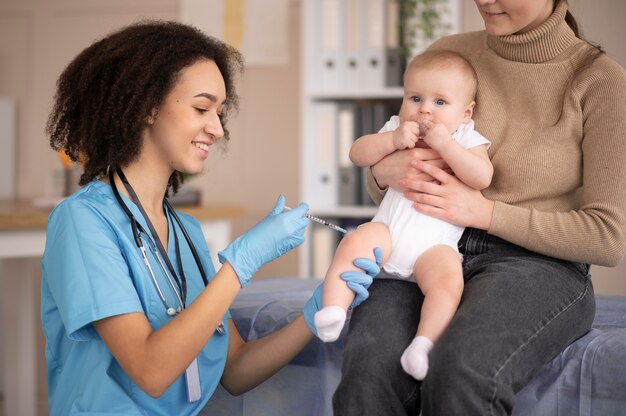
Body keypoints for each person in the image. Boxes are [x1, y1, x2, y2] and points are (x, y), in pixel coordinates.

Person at [41, 21, 380, 415]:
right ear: (147, 106)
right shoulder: (83, 221)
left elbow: (236, 371)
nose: (217, 129)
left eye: (220, 112)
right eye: (202, 108)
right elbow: (150, 370)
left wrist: (316, 310)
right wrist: (241, 264)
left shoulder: (186, 233)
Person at [333, 0, 626, 415]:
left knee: (460, 371)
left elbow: (608, 237)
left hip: (537, 265)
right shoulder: (451, 54)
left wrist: (484, 213)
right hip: (424, 243)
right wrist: (385, 172)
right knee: (368, 373)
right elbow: (388, 165)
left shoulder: (601, 83)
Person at [313, 51, 492, 382]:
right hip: (388, 235)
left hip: (434, 248)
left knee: (449, 285)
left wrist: (447, 147)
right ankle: (334, 309)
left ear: (465, 113)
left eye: (440, 102)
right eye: (415, 98)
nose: (425, 109)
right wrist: (391, 140)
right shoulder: (398, 127)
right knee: (355, 241)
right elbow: (356, 153)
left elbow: (482, 177)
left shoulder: (465, 137)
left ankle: (423, 346)